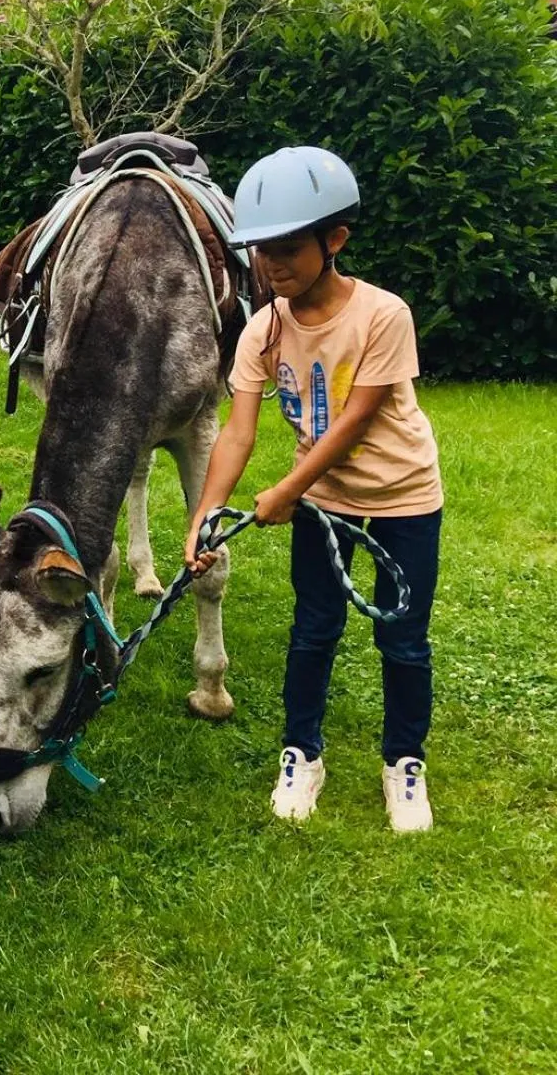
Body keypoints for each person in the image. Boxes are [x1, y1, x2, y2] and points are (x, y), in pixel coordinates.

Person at [184, 146, 443, 832]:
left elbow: (354, 422)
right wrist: (204, 516)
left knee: (404, 641)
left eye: (288, 250)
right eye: (261, 253)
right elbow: (236, 434)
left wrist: (287, 490)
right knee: (313, 633)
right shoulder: (262, 330)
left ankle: (403, 765)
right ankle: (302, 755)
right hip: (324, 504)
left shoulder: (384, 316)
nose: (272, 267)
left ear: (335, 240)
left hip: (404, 499)